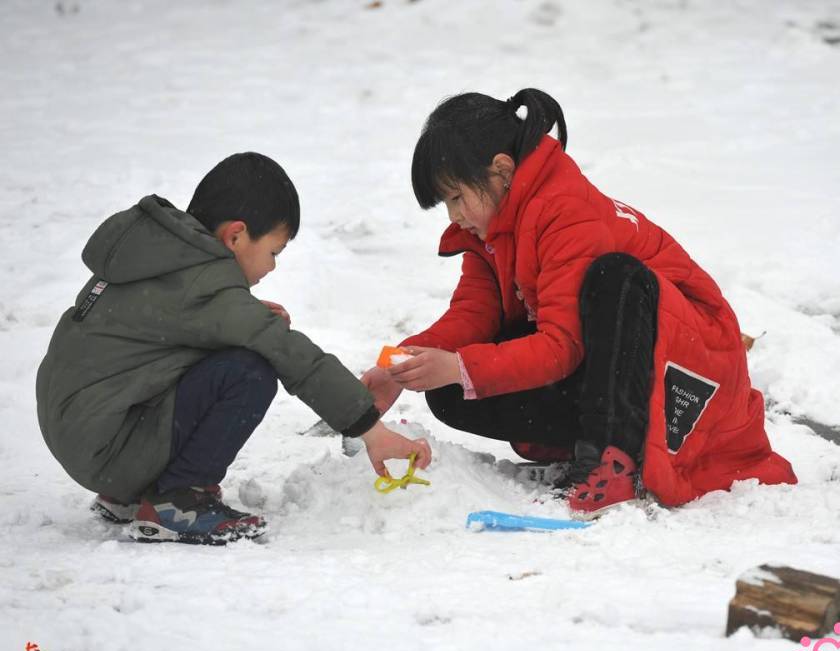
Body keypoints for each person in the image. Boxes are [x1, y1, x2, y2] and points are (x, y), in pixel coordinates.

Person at [361, 89, 796, 516]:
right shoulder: (490, 230)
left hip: (694, 371)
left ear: (502, 170)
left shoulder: (566, 211)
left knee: (613, 277)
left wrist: (459, 365)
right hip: (622, 368)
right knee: (450, 388)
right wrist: (403, 365)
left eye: (456, 197)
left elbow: (561, 346)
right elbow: (474, 314)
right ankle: (591, 441)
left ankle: (614, 459)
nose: (453, 216)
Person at [36, 152, 430, 544]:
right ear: (236, 236)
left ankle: (129, 495)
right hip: (111, 448)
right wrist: (369, 428)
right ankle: (177, 501)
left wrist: (243, 316)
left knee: (242, 345)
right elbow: (293, 356)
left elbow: (152, 328)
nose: (272, 267)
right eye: (273, 252)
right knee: (250, 369)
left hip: (84, 432)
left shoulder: (159, 254)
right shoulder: (206, 285)